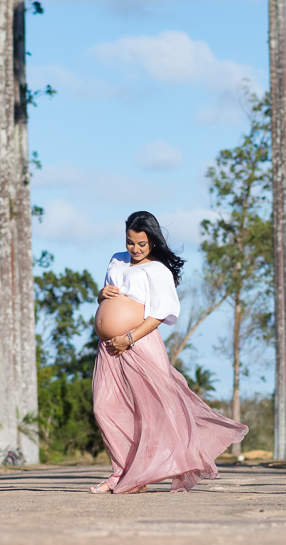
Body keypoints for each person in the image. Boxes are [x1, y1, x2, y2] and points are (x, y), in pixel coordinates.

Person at [90, 211, 248, 494]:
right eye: (130, 242)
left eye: (141, 244)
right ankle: (123, 473)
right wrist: (102, 295)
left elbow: (161, 314)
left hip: (137, 343)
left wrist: (128, 338)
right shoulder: (116, 259)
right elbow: (105, 294)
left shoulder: (159, 270)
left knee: (153, 410)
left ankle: (132, 477)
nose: (135, 249)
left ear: (152, 241)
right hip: (108, 348)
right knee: (104, 407)